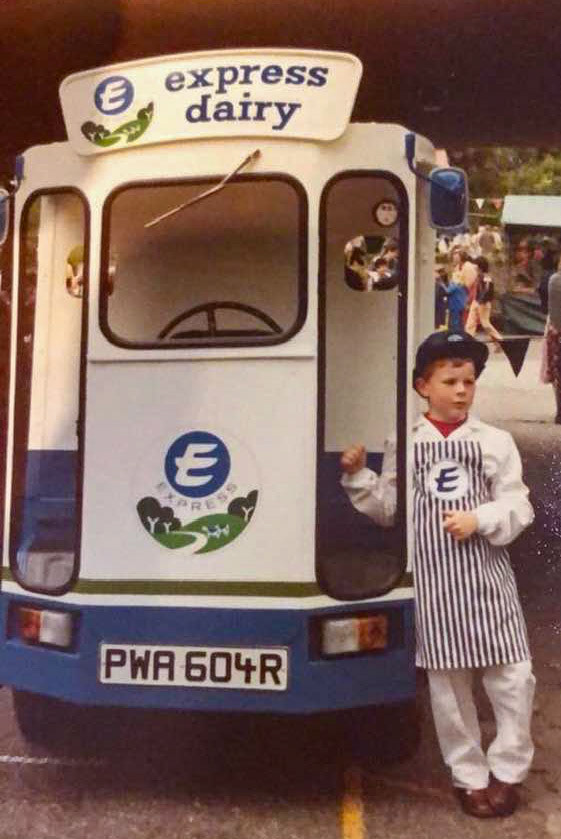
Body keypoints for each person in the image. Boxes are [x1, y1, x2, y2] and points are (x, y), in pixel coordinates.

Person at [340, 330, 536, 819]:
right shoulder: (404, 444)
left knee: (512, 677)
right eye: (450, 380)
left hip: (487, 582)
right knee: (449, 688)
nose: (462, 390)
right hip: (434, 586)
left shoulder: (495, 442)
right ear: (422, 386)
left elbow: (519, 505)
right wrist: (358, 477)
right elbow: (390, 509)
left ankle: (508, 771)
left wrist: (482, 519)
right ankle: (469, 777)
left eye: (469, 380)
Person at [541, 255, 561, 422]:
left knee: (557, 372)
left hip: (556, 331)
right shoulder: (556, 280)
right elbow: (555, 311)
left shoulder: (555, 279)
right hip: (558, 331)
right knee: (557, 372)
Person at [465, 256, 502, 346]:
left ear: (480, 266)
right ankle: (468, 342)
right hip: (476, 301)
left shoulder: (487, 277)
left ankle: (500, 341)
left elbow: (487, 290)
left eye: (476, 265)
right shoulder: (478, 276)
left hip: (483, 303)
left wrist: (482, 301)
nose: (474, 267)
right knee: (470, 323)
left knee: (485, 323)